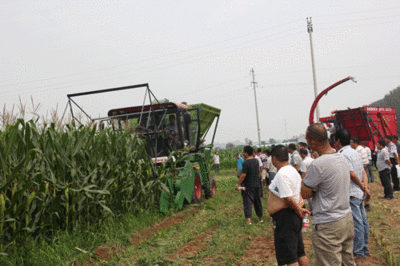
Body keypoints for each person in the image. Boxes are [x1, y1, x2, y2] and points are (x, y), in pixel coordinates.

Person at [301, 123, 356, 266]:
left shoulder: (317, 165)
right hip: (346, 218)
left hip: (328, 224)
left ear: (313, 142)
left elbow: (305, 193)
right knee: (347, 261)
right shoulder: (341, 158)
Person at [267, 145, 310, 266]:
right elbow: (300, 194)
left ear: (274, 158)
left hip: (286, 218)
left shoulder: (282, 173)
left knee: (290, 258)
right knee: (299, 252)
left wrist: (298, 209)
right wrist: (300, 208)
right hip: (292, 217)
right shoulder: (293, 171)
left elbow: (288, 197)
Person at [335, 130, 370, 260]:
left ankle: (359, 251)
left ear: (338, 140)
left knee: (357, 223)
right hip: (359, 193)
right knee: (363, 221)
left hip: (352, 192)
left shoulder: (342, 154)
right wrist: (364, 187)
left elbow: (352, 174)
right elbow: (362, 171)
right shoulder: (356, 152)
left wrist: (362, 186)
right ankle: (364, 247)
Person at [235, 146, 263, 225]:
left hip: (248, 186)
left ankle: (249, 221)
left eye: (244, 152)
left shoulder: (246, 163)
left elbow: (243, 175)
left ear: (246, 153)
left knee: (247, 203)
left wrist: (238, 184)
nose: (243, 154)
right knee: (258, 202)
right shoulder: (256, 161)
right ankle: (261, 219)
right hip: (257, 184)